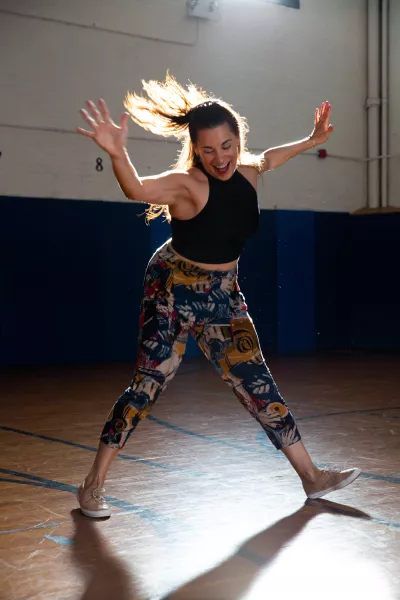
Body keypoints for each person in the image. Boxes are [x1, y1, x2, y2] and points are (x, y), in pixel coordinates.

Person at [76, 74, 361, 518]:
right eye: (208, 150)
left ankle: (312, 478)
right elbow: (136, 189)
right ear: (196, 149)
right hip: (172, 287)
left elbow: (266, 158)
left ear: (236, 139)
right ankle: (93, 484)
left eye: (227, 146)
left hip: (223, 295)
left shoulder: (247, 171)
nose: (220, 158)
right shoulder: (187, 184)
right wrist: (117, 153)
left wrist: (311, 140)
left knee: (257, 382)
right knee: (149, 384)